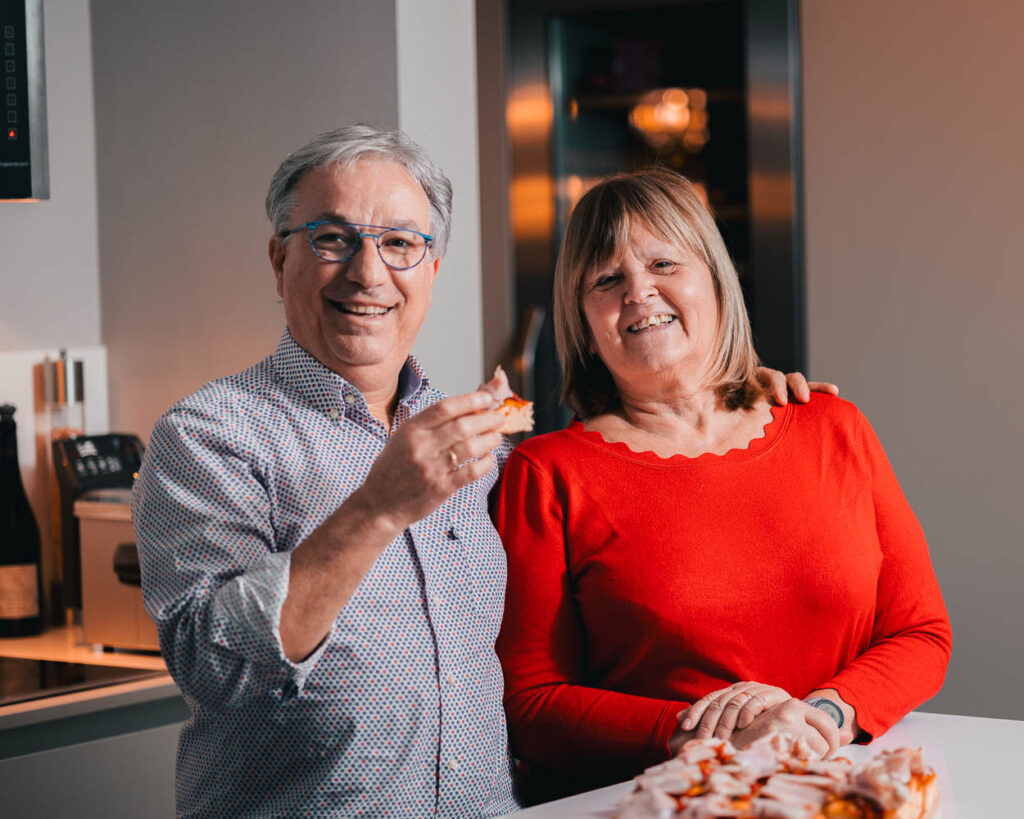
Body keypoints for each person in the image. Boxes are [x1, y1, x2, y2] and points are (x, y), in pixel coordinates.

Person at [133, 126, 826, 817]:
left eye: (400, 243)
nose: (369, 273)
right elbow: (214, 666)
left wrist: (721, 398)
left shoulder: (487, 446)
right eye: (332, 238)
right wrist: (377, 509)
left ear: (431, 271)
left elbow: (620, 534)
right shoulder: (209, 434)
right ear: (279, 256)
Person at [493, 167, 952, 803]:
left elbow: (920, 633)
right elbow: (531, 701)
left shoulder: (833, 426)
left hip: (840, 792)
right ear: (584, 319)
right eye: (606, 279)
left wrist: (820, 717)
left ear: (714, 278)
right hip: (659, 803)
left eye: (662, 263)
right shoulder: (547, 473)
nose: (638, 292)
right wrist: (700, 733)